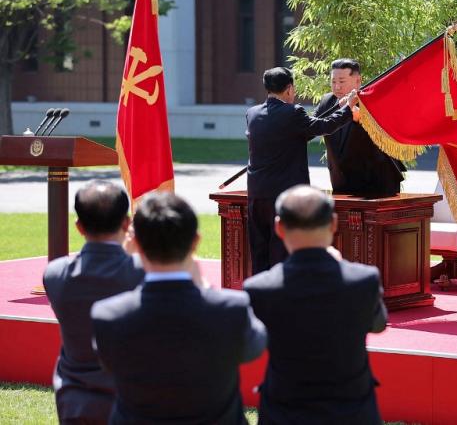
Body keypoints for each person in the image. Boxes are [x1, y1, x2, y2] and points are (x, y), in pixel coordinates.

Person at [91, 192, 267, 424]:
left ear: (135, 243)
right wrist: (204, 286)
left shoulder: (108, 316)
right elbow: (254, 348)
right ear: (195, 241)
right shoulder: (231, 309)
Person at [244, 185, 387, 425]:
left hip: (285, 414)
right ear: (333, 223)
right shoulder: (363, 280)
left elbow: (252, 347)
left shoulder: (261, 288)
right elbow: (378, 324)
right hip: (352, 413)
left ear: (279, 228)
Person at [43, 180, 145, 424]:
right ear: (127, 223)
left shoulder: (55, 274)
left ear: (79, 227)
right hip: (131, 401)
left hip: (75, 401)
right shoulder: (143, 273)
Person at [247, 66, 359, 273]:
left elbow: (299, 133)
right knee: (281, 251)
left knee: (259, 251)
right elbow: (320, 128)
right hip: (283, 195)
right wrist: (347, 110)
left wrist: (338, 108)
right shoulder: (293, 112)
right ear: (289, 89)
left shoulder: (252, 113)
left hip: (256, 194)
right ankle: (283, 297)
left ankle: (261, 294)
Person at [314, 58, 405, 196]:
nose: (337, 87)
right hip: (341, 182)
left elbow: (386, 131)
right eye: (333, 81)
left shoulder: (373, 98)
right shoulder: (327, 102)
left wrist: (361, 117)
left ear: (358, 81)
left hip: (377, 182)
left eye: (342, 81)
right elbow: (311, 125)